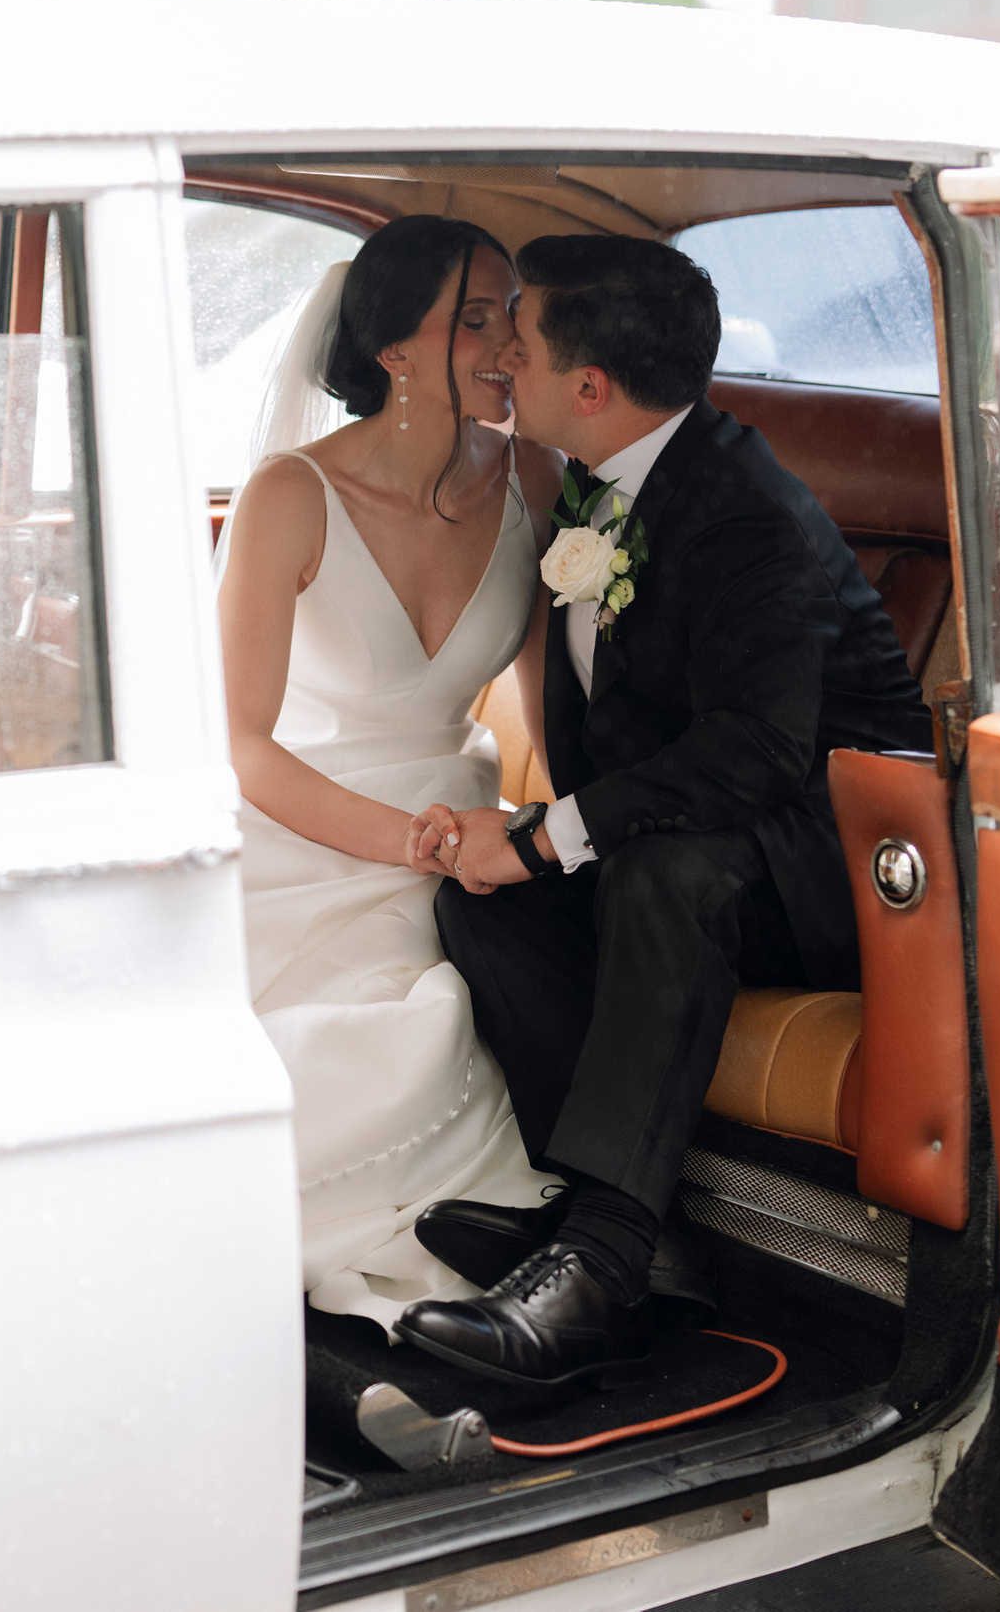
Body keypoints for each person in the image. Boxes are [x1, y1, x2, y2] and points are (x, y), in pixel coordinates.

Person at [394, 236, 931, 1392]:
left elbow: (759, 752)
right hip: (721, 830)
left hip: (848, 867)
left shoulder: (740, 513)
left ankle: (599, 1265)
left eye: (517, 342)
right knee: (486, 908)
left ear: (587, 389)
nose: (500, 359)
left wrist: (543, 832)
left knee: (657, 875)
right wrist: (525, 853)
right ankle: (620, 1230)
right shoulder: (603, 479)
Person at [214, 214, 564, 1332]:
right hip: (307, 827)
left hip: (467, 823)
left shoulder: (537, 480)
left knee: (476, 978)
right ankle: (363, 1312)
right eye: (473, 321)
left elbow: (553, 713)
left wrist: (546, 833)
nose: (507, 343)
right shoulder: (289, 496)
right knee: (390, 1024)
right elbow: (243, 744)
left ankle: (458, 1304)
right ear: (394, 352)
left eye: (512, 315)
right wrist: (402, 839)